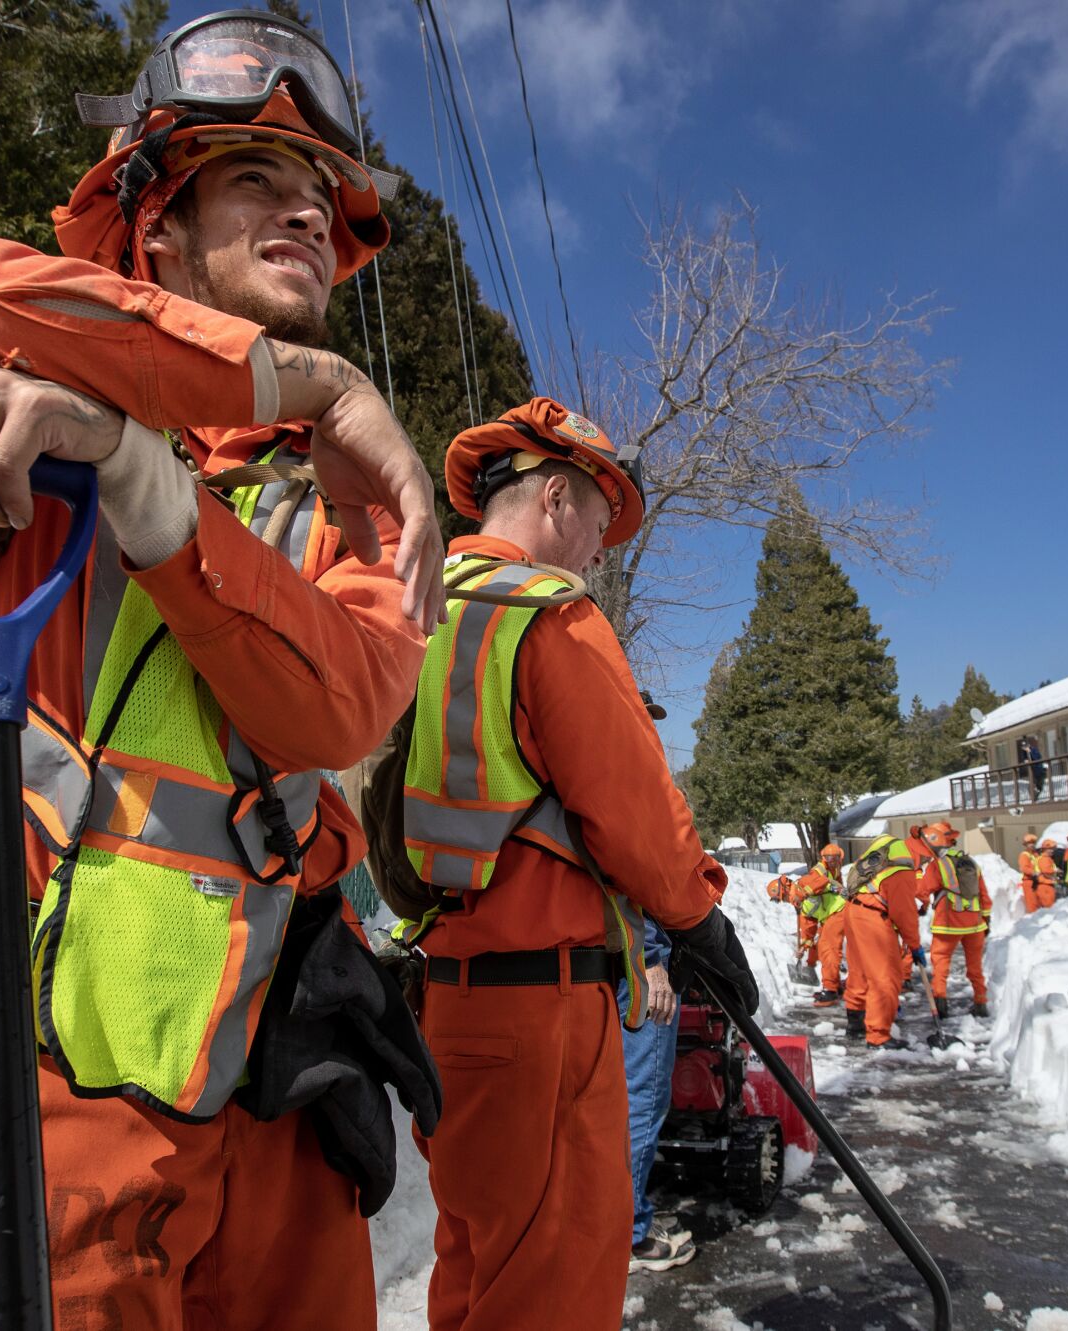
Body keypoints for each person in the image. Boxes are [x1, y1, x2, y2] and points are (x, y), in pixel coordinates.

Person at [0, 14, 444, 1326]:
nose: (307, 213)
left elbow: (344, 697)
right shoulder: (12, 429)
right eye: (255, 180)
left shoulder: (353, 501)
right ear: (153, 231)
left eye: (321, 195)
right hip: (59, 1073)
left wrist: (153, 483)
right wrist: (284, 377)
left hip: (286, 1072)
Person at [405, 398, 757, 1331]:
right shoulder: (547, 617)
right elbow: (637, 810)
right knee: (555, 1282)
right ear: (555, 497)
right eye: (598, 528)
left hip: (445, 1000)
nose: (598, 554)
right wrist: (699, 922)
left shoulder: (405, 605)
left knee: (474, 1270)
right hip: (546, 1016)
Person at [620, 919, 693, 1273]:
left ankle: (607, 1220)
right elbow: (635, 874)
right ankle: (631, 1235)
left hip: (602, 954)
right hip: (636, 959)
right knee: (643, 1098)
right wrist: (649, 957)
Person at [843, 836, 921, 1050]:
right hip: (872, 918)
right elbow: (904, 913)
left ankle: (855, 1022)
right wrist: (914, 945)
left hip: (854, 910)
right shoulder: (902, 870)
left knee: (858, 970)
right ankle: (878, 1035)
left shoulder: (884, 852)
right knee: (885, 976)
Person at [918, 822, 991, 1018]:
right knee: (975, 967)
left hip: (947, 924)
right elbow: (983, 894)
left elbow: (922, 891)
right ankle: (981, 1003)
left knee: (941, 965)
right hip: (975, 924)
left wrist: (922, 906)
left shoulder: (937, 866)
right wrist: (986, 918)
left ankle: (940, 1004)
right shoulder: (971, 863)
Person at [798, 844, 850, 1004]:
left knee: (828, 950)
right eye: (829, 858)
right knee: (829, 949)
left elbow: (808, 922)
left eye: (835, 858)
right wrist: (805, 945)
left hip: (837, 912)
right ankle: (834, 985)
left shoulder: (831, 871)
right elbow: (809, 924)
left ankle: (830, 989)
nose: (832, 861)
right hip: (834, 913)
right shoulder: (819, 871)